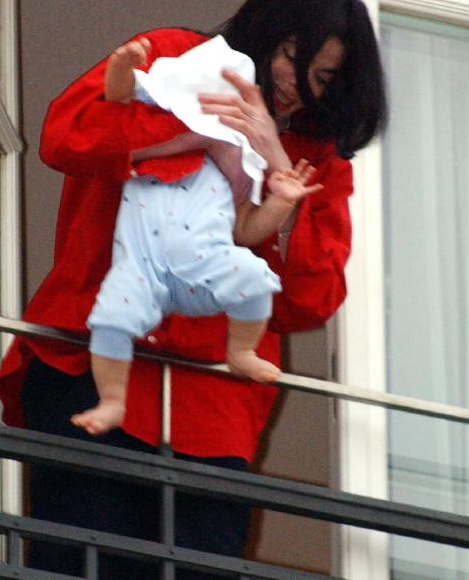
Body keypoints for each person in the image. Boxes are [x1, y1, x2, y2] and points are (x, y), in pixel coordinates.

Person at [0, 0, 387, 579]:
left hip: (212, 410)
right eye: (291, 56)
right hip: (93, 362)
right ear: (267, 30)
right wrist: (199, 130)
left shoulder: (318, 161)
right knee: (75, 566)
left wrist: (278, 166)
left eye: (324, 78)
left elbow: (308, 301)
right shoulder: (180, 58)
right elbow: (64, 136)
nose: (298, 85)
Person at [73, 34, 324, 436]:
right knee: (111, 321)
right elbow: (119, 95)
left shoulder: (237, 166)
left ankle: (240, 350)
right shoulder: (154, 141)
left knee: (254, 278)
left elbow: (246, 230)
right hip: (140, 269)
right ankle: (113, 400)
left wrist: (281, 202)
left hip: (203, 269)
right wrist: (123, 64)